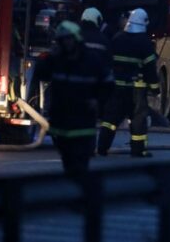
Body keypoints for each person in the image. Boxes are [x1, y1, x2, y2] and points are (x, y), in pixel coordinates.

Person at [29, 21, 114, 179]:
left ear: (76, 39)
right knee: (67, 163)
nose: (66, 43)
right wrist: (50, 56)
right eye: (63, 40)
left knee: (80, 165)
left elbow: (108, 84)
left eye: (69, 39)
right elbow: (40, 73)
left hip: (83, 123)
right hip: (61, 124)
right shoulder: (57, 60)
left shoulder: (92, 60)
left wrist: (97, 100)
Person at [97, 8, 160, 157]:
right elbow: (150, 69)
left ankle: (102, 148)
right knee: (138, 120)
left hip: (117, 87)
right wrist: (155, 88)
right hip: (136, 89)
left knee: (110, 119)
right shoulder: (145, 43)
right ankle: (138, 150)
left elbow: (108, 61)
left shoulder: (118, 38)